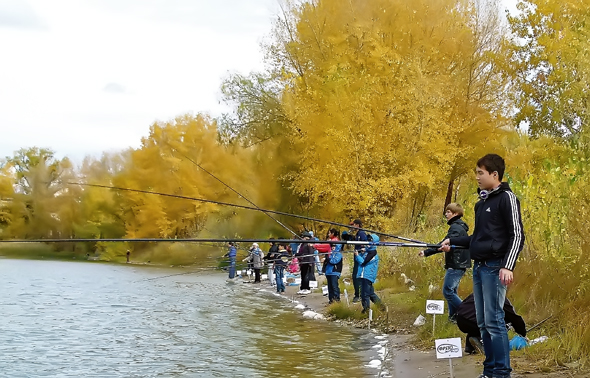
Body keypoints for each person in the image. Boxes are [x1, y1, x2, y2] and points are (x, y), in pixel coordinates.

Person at [440, 154, 525, 378]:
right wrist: (453, 241)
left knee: (495, 320)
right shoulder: (482, 203)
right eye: (476, 173)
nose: (477, 177)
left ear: (494, 175)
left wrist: (508, 266)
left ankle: (501, 372)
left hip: (496, 267)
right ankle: (489, 370)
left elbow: (517, 235)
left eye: (481, 173)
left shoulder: (507, 198)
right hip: (479, 268)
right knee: (483, 322)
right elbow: (477, 238)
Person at [419, 203, 471, 323]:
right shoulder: (458, 226)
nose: (446, 214)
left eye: (448, 212)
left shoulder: (456, 228)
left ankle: (468, 312)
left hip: (456, 264)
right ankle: (453, 318)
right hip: (458, 263)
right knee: (452, 291)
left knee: (447, 291)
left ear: (456, 214)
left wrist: (427, 252)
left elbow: (443, 244)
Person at [456, 294, 526, 355]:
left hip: (460, 319)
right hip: (474, 320)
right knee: (503, 323)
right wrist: (523, 334)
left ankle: (470, 345)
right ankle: (484, 343)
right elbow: (514, 317)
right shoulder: (499, 295)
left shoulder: (480, 290)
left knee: (482, 319)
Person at [355, 233, 382, 313]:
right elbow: (363, 258)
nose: (368, 243)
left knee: (364, 295)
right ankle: (382, 307)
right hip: (364, 275)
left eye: (370, 241)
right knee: (370, 294)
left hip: (367, 276)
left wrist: (357, 255)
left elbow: (363, 262)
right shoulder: (368, 252)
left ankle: (366, 310)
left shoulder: (372, 254)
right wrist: (362, 253)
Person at [321, 229, 343, 303]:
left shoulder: (338, 254)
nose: (333, 247)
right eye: (332, 246)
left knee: (334, 286)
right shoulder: (330, 253)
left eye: (334, 246)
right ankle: (331, 300)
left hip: (335, 272)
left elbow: (334, 261)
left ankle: (337, 300)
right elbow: (328, 260)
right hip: (328, 272)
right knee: (329, 287)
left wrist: (327, 258)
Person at [350, 219, 367, 303]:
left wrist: (361, 250)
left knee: (357, 276)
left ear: (357, 225)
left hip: (360, 257)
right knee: (355, 276)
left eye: (353, 224)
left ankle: (359, 295)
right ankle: (358, 294)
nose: (352, 226)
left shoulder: (361, 233)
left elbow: (364, 245)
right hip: (356, 257)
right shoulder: (357, 234)